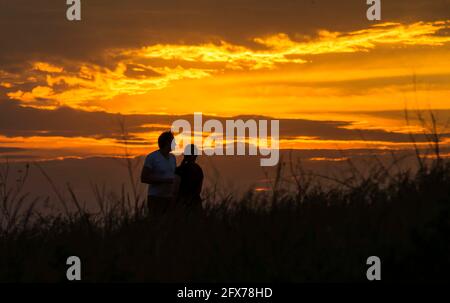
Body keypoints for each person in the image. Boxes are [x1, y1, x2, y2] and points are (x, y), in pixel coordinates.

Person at [141, 131, 177, 215]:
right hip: (156, 198)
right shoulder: (152, 157)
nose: (175, 143)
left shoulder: (173, 158)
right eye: (173, 141)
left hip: (169, 198)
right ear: (167, 143)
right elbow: (144, 178)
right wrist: (164, 180)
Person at [175, 144, 204, 212]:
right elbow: (199, 188)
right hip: (195, 202)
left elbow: (175, 188)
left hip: (182, 202)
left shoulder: (180, 169)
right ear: (196, 156)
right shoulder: (198, 169)